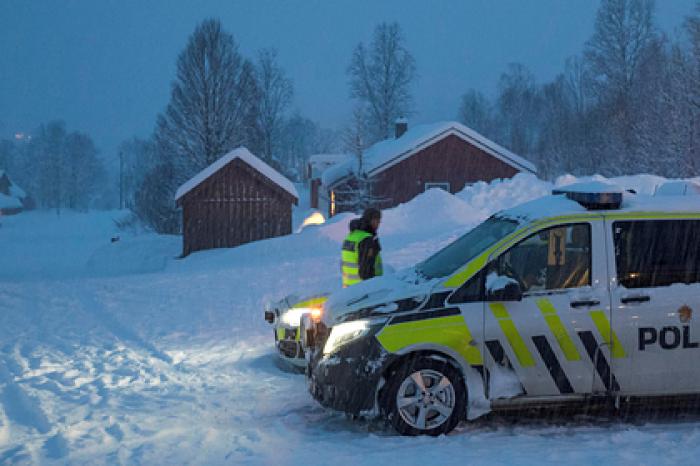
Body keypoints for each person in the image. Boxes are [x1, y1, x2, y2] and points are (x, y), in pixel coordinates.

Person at [341, 208, 383, 287]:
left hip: (349, 289)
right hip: (363, 291)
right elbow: (366, 271)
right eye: (377, 220)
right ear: (371, 220)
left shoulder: (351, 236)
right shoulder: (367, 240)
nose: (378, 224)